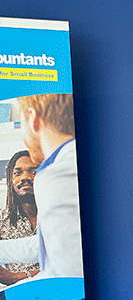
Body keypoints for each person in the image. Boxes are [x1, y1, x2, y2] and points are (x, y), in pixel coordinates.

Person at [0, 94, 83, 279]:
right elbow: (50, 244)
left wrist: (20, 281)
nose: (26, 178)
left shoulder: (58, 174)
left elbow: (69, 273)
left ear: (33, 118)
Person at [0, 150, 39, 286]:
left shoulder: (59, 216)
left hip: (60, 291)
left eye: (33, 171)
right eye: (18, 173)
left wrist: (17, 277)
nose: (25, 177)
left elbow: (70, 264)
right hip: (18, 295)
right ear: (10, 180)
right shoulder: (2, 220)